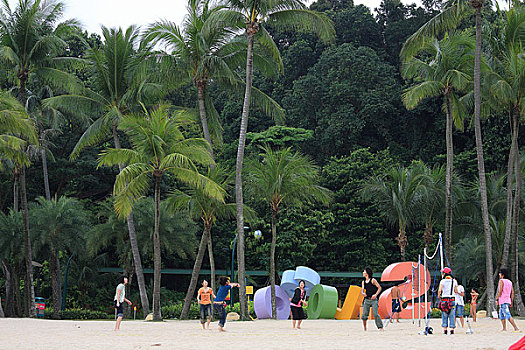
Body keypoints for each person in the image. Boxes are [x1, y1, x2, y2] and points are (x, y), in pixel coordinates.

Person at [360, 266, 383, 331]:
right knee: (364, 315)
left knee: (375, 314)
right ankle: (365, 328)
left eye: (364, 271)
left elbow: (379, 288)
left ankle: (380, 327)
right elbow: (362, 290)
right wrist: (362, 293)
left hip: (373, 300)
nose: (363, 272)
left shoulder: (373, 280)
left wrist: (375, 295)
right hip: (367, 300)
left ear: (367, 273)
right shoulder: (363, 282)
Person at [438, 267, 457, 335]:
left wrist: (439, 296)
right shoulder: (454, 281)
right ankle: (452, 330)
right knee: (452, 315)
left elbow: (440, 290)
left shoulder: (442, 281)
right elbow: (456, 291)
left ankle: (445, 330)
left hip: (444, 300)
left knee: (444, 315)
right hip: (452, 299)